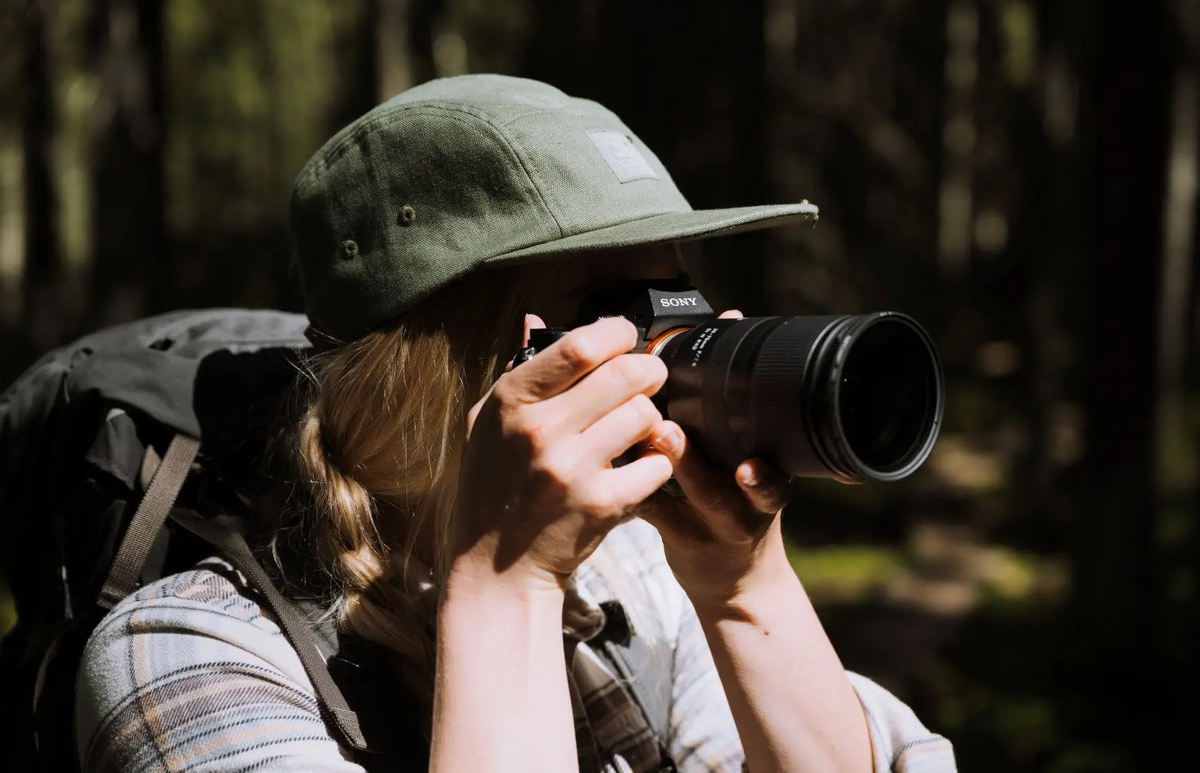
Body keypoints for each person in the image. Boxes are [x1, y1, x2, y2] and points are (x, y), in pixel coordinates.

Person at [74, 74, 957, 772]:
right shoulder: (183, 658)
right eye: (616, 311)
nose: (677, 344)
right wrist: (508, 581)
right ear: (419, 366)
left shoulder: (637, 577)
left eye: (678, 295)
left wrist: (741, 584)